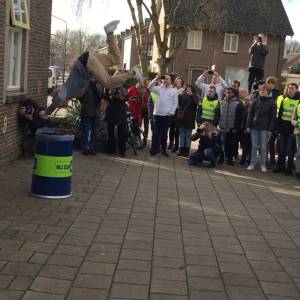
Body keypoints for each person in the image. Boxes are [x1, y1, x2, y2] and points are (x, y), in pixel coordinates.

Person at [48, 20, 143, 114]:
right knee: (115, 59)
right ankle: (110, 32)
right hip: (87, 58)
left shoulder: (67, 92)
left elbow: (58, 100)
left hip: (86, 64)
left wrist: (48, 111)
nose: (66, 105)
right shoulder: (69, 90)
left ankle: (133, 73)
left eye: (64, 104)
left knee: (109, 83)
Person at [246, 84, 276, 172]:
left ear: (268, 92)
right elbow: (250, 114)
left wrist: (270, 130)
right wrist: (248, 126)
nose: (262, 91)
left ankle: (263, 165)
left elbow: (273, 118)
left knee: (263, 147)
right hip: (254, 127)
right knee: (254, 146)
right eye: (261, 90)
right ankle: (252, 164)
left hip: (265, 128)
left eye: (264, 90)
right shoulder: (255, 101)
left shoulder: (272, 103)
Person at [148, 74, 178, 156]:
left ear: (171, 81)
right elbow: (149, 87)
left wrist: (171, 113)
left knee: (164, 134)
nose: (165, 80)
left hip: (166, 116)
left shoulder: (174, 91)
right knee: (155, 133)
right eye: (164, 79)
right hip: (157, 115)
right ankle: (154, 150)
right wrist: (156, 79)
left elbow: (175, 103)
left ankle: (163, 150)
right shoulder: (158, 89)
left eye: (167, 79)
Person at [273, 83, 300, 175]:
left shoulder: (299, 102)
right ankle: (280, 167)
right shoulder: (285, 100)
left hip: (293, 130)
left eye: (292, 88)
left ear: (296, 89)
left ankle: (288, 169)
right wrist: (278, 128)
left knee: (290, 150)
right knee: (281, 149)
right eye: (289, 88)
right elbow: (280, 115)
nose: (289, 90)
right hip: (283, 128)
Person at [219, 87, 244, 165]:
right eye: (227, 93)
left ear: (234, 94)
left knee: (232, 144)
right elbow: (218, 114)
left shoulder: (239, 104)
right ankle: (221, 158)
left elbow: (240, 118)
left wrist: (236, 128)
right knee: (222, 144)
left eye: (230, 93)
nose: (228, 94)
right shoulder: (221, 102)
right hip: (222, 127)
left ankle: (230, 159)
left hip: (233, 128)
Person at [104, 87, 129, 157]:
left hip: (120, 112)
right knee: (110, 132)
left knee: (122, 133)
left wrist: (121, 98)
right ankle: (111, 150)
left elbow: (127, 97)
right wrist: (112, 96)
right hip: (112, 110)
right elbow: (105, 96)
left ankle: (122, 152)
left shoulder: (123, 87)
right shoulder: (109, 86)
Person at [78, 79, 101, 155]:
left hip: (96, 112)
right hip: (87, 111)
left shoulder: (99, 85)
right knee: (86, 130)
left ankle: (91, 147)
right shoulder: (85, 84)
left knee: (94, 131)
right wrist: (85, 102)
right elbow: (79, 95)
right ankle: (85, 148)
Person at [176, 85, 198, 157]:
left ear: (193, 90)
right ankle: (181, 149)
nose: (188, 90)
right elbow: (178, 104)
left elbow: (196, 104)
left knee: (188, 135)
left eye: (190, 89)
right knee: (182, 134)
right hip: (182, 118)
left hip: (190, 119)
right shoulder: (181, 95)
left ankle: (186, 151)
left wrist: (191, 96)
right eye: (187, 89)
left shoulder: (195, 97)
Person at [265, 76, 280, 165]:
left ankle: (272, 159)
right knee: (266, 142)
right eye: (268, 82)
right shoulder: (264, 92)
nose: (270, 85)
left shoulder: (277, 94)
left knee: (271, 141)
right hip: (265, 121)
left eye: (272, 83)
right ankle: (267, 159)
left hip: (274, 122)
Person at [168, 76, 184, 152]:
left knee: (177, 130)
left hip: (179, 112)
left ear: (182, 83)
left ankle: (176, 146)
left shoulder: (183, 91)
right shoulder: (172, 90)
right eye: (177, 81)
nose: (179, 83)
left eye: (180, 82)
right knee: (171, 129)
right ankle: (171, 144)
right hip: (172, 111)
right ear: (175, 82)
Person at [240, 94, 254, 165]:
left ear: (252, 101)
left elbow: (252, 120)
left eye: (248, 100)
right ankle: (244, 158)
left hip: (251, 129)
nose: (246, 101)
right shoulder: (244, 108)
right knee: (245, 145)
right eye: (245, 100)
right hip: (244, 129)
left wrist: (248, 128)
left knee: (250, 145)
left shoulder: (253, 109)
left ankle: (250, 159)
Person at [291, 102, 300, 179]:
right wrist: (297, 123)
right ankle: (298, 171)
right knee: (299, 153)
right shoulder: (297, 106)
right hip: (298, 132)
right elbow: (293, 120)